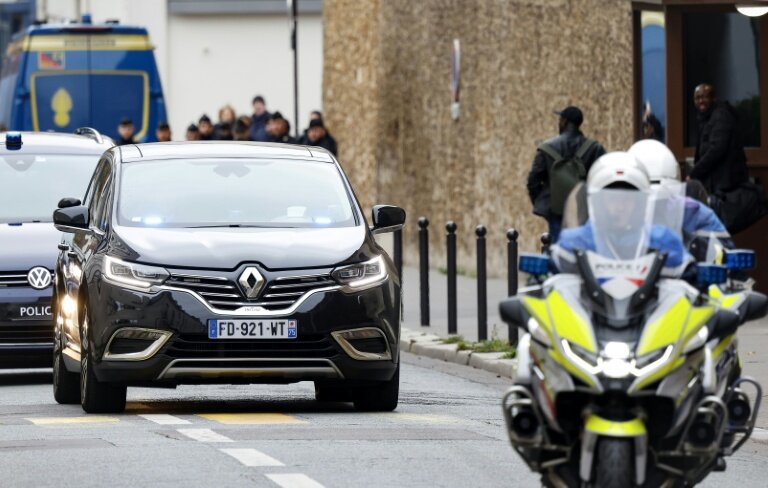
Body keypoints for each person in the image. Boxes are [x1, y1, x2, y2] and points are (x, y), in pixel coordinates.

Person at [553, 152, 690, 276]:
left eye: (627, 199)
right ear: (599, 203)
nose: (620, 207)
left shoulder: (663, 240)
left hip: (651, 304)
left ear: (640, 203)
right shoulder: (577, 241)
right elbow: (552, 274)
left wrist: (698, 272)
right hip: (590, 304)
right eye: (612, 199)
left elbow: (689, 272)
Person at [527, 106, 606, 242]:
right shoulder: (594, 148)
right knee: (584, 250)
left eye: (559, 119)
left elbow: (533, 181)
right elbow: (603, 179)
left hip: (557, 213)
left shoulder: (546, 148)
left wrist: (547, 205)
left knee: (559, 251)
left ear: (564, 121)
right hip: (585, 212)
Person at [689, 84, 749, 194]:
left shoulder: (721, 116)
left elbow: (716, 150)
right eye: (697, 98)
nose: (701, 101)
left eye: (704, 97)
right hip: (715, 183)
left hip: (727, 185)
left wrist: (694, 173)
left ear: (713, 98)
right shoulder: (705, 118)